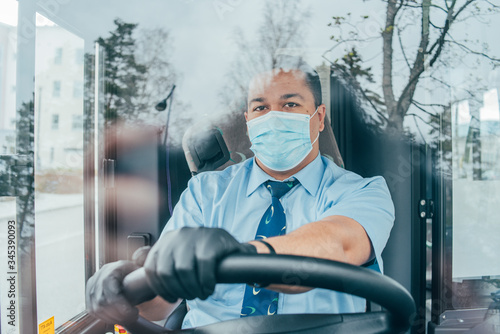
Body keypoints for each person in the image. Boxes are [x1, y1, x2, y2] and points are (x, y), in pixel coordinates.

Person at [86, 56, 394, 329]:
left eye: (290, 104)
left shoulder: (363, 192)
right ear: (248, 122)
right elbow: (161, 301)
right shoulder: (205, 193)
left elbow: (338, 245)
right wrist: (124, 286)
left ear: (320, 117)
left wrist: (240, 254)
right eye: (260, 107)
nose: (273, 117)